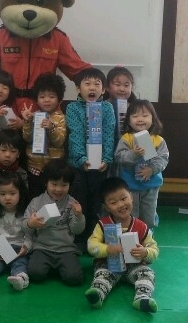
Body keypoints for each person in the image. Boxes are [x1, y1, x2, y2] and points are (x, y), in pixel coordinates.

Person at [85, 177, 159, 313]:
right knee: (102, 275)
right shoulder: (102, 225)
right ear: (106, 207)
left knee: (148, 274)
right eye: (113, 202)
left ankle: (142, 298)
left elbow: (154, 249)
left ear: (131, 197)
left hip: (134, 267)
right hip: (109, 265)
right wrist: (107, 249)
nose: (120, 205)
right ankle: (98, 294)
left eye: (124, 198)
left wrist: (145, 252)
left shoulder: (142, 226)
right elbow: (91, 245)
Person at [66, 67, 116, 243]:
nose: (92, 87)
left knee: (97, 202)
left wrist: (106, 159)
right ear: (78, 88)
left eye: (97, 84)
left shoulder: (107, 108)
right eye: (87, 84)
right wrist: (81, 159)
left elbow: (109, 135)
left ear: (104, 89)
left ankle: (95, 238)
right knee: (80, 201)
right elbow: (75, 134)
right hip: (78, 165)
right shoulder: (72, 108)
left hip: (100, 165)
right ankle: (79, 238)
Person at [22, 159, 85, 286]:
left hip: (66, 249)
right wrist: (30, 224)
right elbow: (24, 227)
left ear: (70, 185)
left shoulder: (72, 203)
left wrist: (79, 216)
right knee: (35, 273)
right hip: (42, 248)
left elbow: (77, 230)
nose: (58, 189)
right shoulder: (36, 202)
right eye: (54, 184)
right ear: (46, 183)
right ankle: (52, 267)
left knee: (74, 278)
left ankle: (60, 267)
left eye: (64, 185)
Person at [114, 99, 168, 230]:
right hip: (130, 185)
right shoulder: (126, 138)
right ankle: (132, 233)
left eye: (145, 115)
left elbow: (163, 159)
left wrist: (151, 169)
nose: (140, 119)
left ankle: (148, 232)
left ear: (153, 119)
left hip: (151, 185)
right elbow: (119, 157)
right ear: (128, 120)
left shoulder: (158, 140)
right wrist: (134, 154)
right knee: (131, 211)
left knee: (149, 212)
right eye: (135, 116)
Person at [21, 73, 68, 198]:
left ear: (59, 99)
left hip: (54, 168)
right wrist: (27, 122)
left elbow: (59, 141)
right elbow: (27, 138)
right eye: (42, 96)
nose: (46, 100)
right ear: (36, 99)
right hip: (34, 167)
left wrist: (51, 128)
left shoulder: (61, 118)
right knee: (35, 198)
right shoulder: (33, 116)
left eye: (52, 96)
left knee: (53, 198)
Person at [104, 66, 138, 151]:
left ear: (131, 87)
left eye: (126, 85)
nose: (122, 89)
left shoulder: (136, 108)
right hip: (105, 149)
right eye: (117, 84)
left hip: (130, 150)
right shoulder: (101, 106)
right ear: (107, 87)